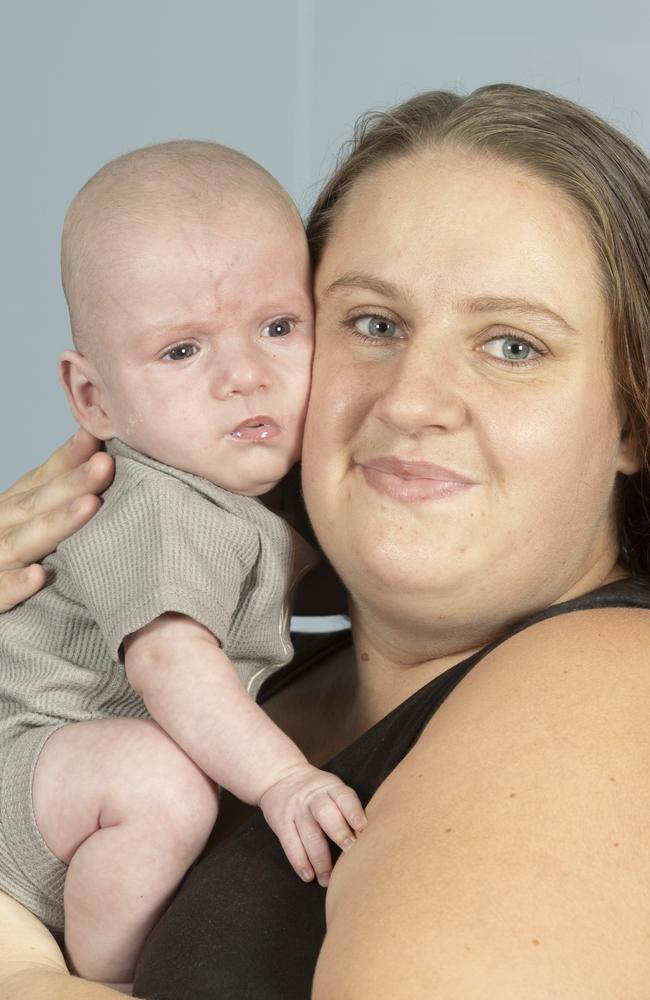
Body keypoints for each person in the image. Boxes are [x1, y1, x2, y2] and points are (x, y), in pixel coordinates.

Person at [1, 81, 650, 999]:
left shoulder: (607, 686)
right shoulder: (263, 685)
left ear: (632, 418)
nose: (412, 399)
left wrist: (22, 973)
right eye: (373, 324)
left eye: (512, 345)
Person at [0, 142, 365, 985]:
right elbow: (168, 658)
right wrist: (284, 781)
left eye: (278, 328)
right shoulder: (165, 504)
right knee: (162, 784)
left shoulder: (245, 509)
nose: (243, 376)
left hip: (62, 797)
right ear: (94, 400)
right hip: (26, 766)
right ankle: (103, 977)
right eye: (181, 352)